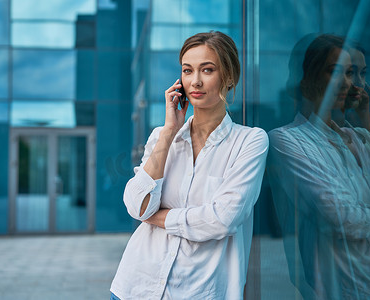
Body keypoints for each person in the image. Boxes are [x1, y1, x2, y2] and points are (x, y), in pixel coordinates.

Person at [110, 31, 269, 299]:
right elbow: (136, 204)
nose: (195, 81)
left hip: (200, 290)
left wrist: (157, 217)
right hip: (135, 286)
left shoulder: (250, 141)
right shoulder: (162, 135)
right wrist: (170, 130)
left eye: (207, 70)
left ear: (229, 77)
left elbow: (222, 220)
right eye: (187, 70)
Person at [268, 34, 370, 299]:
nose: (347, 83)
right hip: (346, 287)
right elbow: (342, 217)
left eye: (350, 74)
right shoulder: (287, 140)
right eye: (336, 72)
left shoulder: (359, 137)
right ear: (308, 78)